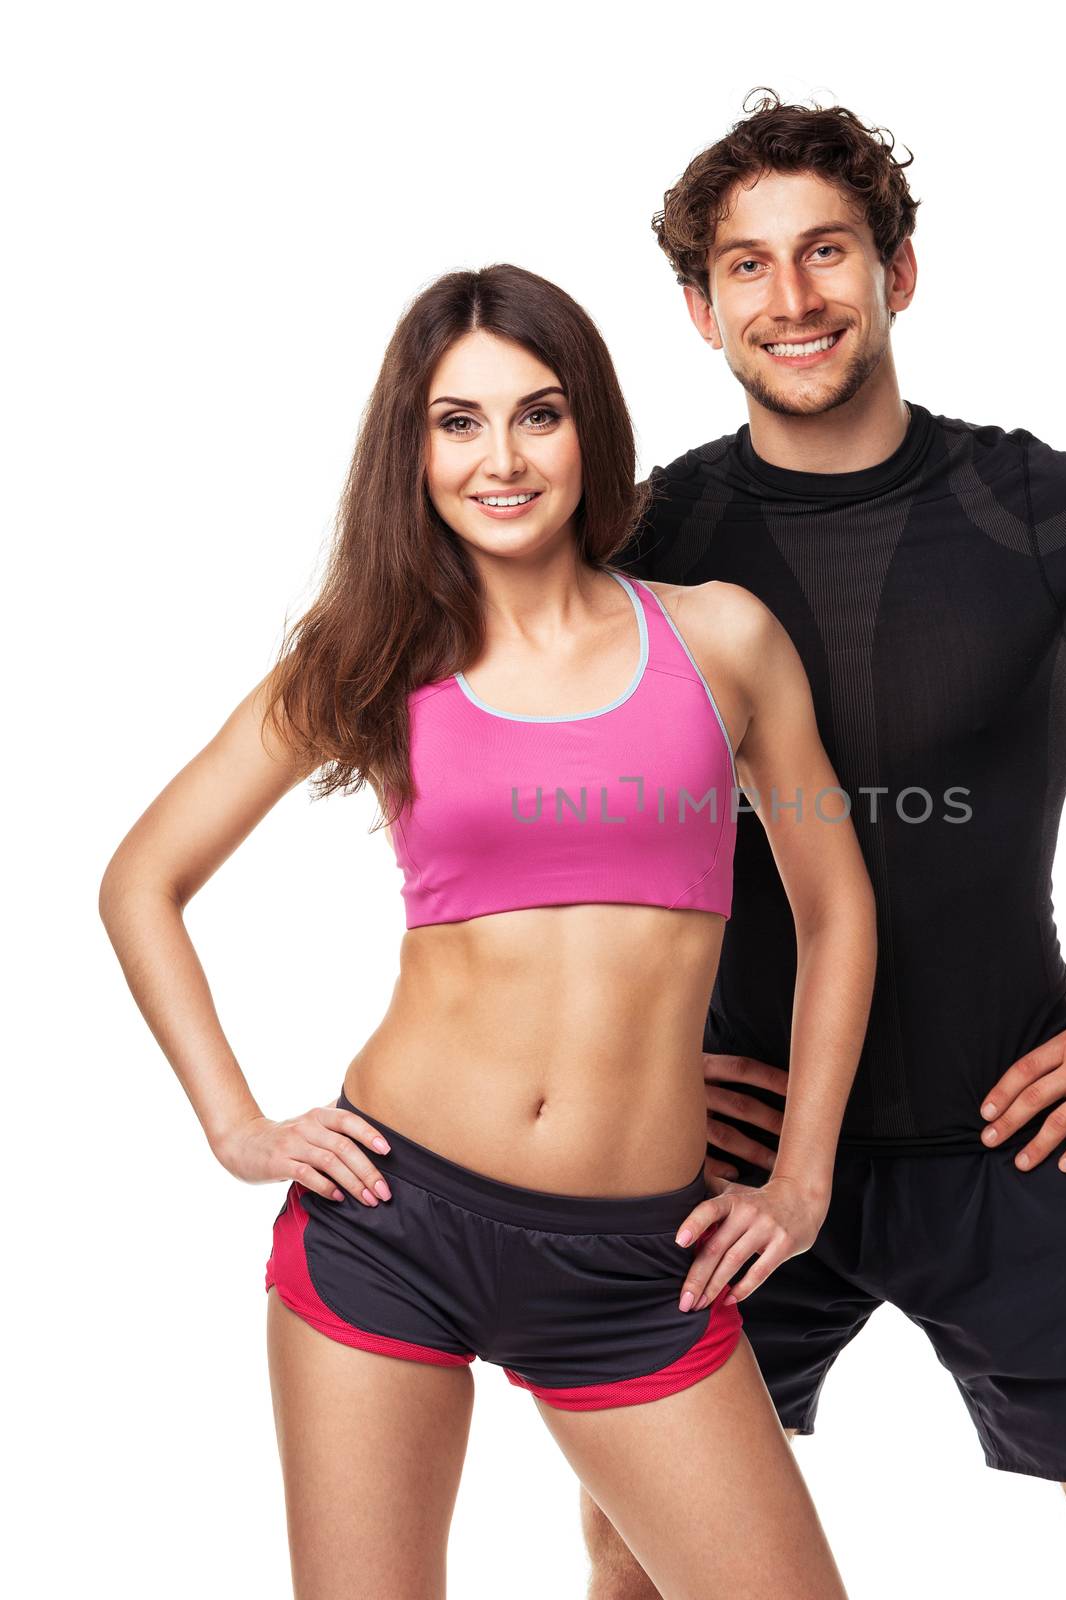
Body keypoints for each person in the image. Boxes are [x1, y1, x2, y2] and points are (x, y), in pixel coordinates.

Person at [584, 93, 1066, 1599]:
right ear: (698, 309)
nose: (792, 297)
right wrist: (635, 1061)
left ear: (899, 273)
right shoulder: (647, 538)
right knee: (637, 1566)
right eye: (746, 267)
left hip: (1014, 1133)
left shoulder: (1043, 509)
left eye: (826, 251)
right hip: (735, 1151)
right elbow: (522, 814)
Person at [98, 263, 877, 1600]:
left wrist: (801, 1182)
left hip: (640, 1263)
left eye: (539, 413)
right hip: (393, 1220)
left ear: (591, 433)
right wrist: (237, 1125)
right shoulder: (369, 655)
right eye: (457, 422)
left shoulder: (720, 641)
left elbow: (836, 907)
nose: (501, 458)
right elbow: (143, 880)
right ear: (413, 446)